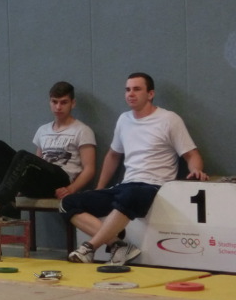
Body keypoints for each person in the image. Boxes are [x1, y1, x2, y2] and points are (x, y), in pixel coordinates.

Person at [61, 72, 208, 265]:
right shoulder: (124, 120)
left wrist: (196, 170)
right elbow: (113, 155)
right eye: (127, 89)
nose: (130, 94)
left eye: (137, 89)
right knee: (68, 203)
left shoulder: (169, 119)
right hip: (125, 185)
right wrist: (100, 188)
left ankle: (89, 248)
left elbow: (192, 154)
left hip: (154, 187)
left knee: (130, 195)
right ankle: (118, 245)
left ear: (150, 94)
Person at [0, 81, 96, 221]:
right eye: (54, 102)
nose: (58, 107)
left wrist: (71, 189)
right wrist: (17, 183)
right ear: (49, 102)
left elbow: (89, 169)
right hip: (41, 181)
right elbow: (36, 162)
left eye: (63, 102)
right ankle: (9, 203)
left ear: (73, 103)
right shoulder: (43, 130)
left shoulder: (82, 130)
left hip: (61, 181)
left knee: (23, 156)